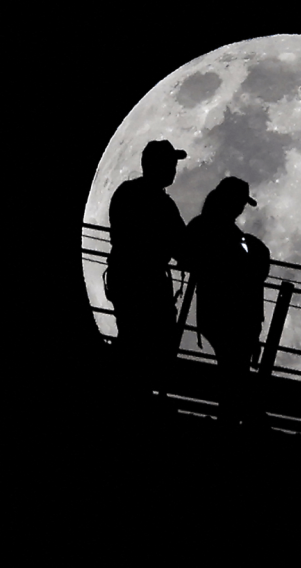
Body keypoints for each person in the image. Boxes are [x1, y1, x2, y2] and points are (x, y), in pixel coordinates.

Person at [181, 177, 271, 435]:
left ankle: (234, 419)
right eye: (240, 203)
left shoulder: (205, 226)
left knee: (232, 370)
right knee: (235, 371)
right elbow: (245, 275)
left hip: (218, 312)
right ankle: (239, 422)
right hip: (231, 314)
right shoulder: (228, 235)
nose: (242, 208)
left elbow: (188, 257)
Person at [106, 139, 187, 423]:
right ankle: (137, 400)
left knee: (131, 337)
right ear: (158, 166)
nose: (174, 170)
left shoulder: (126, 192)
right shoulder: (161, 203)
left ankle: (131, 396)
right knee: (151, 341)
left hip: (123, 277)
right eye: (171, 164)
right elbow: (183, 247)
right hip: (146, 283)